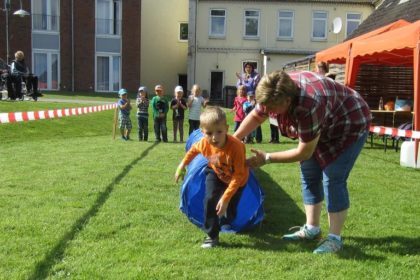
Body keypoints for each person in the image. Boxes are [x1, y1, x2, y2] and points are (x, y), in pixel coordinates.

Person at [234, 70, 371, 254]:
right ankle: (312, 229)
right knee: (309, 172)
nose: (270, 112)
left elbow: (304, 152)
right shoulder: (272, 89)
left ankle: (334, 239)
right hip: (324, 121)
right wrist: (233, 141)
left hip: (349, 123)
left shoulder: (309, 104)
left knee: (333, 177)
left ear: (288, 101)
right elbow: (258, 115)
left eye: (273, 109)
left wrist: (267, 158)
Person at [175, 106, 249, 248]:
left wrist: (226, 198)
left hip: (237, 180)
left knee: (230, 211)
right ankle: (212, 236)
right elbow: (192, 151)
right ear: (202, 132)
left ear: (227, 129)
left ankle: (227, 220)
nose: (214, 138)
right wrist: (181, 165)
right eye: (209, 133)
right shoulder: (203, 143)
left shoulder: (236, 147)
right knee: (210, 199)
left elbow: (238, 175)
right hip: (215, 173)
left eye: (219, 132)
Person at [236, 62, 262, 143]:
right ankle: (247, 137)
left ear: (252, 68)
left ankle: (258, 138)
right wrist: (241, 79)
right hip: (245, 99)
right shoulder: (243, 76)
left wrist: (246, 80)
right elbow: (238, 86)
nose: (248, 68)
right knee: (246, 119)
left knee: (256, 118)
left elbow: (256, 87)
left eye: (250, 67)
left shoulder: (256, 76)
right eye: (246, 67)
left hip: (254, 99)